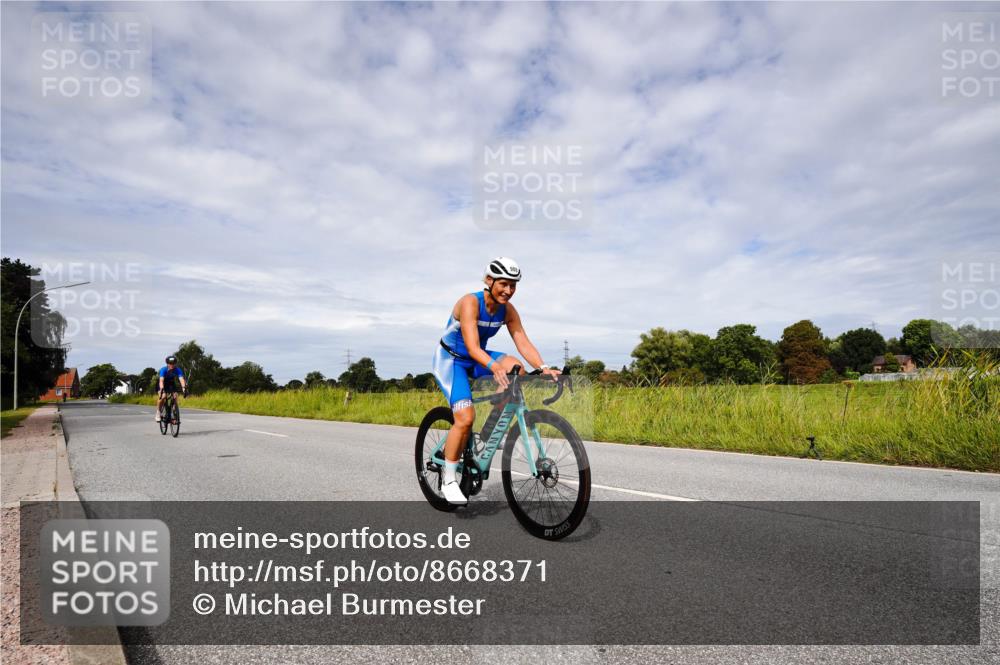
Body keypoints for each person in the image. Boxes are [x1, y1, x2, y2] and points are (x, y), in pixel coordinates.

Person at [431, 257, 560, 505]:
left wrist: (542, 367)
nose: (508, 291)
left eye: (513, 285)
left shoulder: (508, 310)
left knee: (517, 369)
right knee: (465, 418)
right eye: (504, 284)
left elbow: (521, 340)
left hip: (477, 357)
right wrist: (492, 366)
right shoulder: (470, 302)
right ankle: (448, 479)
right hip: (452, 360)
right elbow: (471, 345)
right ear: (489, 281)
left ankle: (490, 432)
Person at [155, 355, 188, 421]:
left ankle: (174, 409)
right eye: (170, 364)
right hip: (163, 383)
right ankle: (158, 412)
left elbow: (181, 379)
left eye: (173, 363)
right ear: (167, 364)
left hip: (171, 383)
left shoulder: (177, 370)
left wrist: (184, 388)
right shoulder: (163, 370)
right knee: (163, 396)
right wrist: (162, 389)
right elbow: (161, 381)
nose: (172, 365)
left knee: (175, 395)